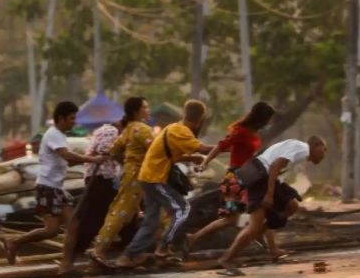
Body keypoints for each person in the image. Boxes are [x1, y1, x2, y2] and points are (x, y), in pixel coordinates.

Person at [115, 100, 214, 268]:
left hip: (148, 176)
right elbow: (204, 149)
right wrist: (230, 146)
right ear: (200, 119)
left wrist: (193, 158)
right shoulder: (181, 131)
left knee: (151, 221)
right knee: (183, 209)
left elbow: (169, 156)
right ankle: (163, 248)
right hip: (154, 178)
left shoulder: (174, 128)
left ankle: (129, 256)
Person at [5, 101, 106, 265]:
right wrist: (93, 159)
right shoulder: (53, 134)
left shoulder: (60, 136)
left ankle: (67, 264)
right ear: (61, 118)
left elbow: (68, 162)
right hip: (47, 188)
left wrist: (93, 158)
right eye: (72, 118)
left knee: (73, 225)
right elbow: (67, 156)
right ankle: (14, 242)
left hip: (57, 188)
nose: (74, 122)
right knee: (51, 230)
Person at [216, 136, 327, 276]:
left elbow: (277, 168)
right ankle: (226, 259)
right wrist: (269, 194)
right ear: (315, 145)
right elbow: (274, 166)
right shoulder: (302, 149)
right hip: (261, 177)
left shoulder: (299, 151)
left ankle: (259, 234)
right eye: (324, 149)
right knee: (254, 226)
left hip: (265, 176)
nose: (324, 153)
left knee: (291, 205)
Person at [187, 102, 278, 255]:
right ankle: (194, 237)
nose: (269, 123)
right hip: (236, 178)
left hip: (250, 177)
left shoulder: (254, 133)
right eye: (268, 119)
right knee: (233, 219)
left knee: (260, 212)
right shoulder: (240, 131)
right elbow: (220, 146)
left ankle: (270, 248)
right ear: (261, 118)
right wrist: (204, 163)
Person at [89, 97, 153, 265]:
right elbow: (155, 149)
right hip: (140, 176)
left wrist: (126, 161)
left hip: (132, 174)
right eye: (145, 107)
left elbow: (113, 150)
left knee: (147, 212)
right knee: (122, 211)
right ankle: (99, 249)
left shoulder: (128, 129)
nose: (148, 110)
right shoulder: (142, 129)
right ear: (136, 111)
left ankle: (146, 251)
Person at [58, 122, 122, 273]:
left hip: (106, 180)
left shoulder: (108, 130)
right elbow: (104, 150)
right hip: (101, 179)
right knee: (95, 219)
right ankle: (73, 258)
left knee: (111, 217)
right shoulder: (110, 130)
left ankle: (118, 252)